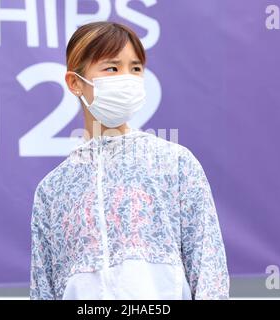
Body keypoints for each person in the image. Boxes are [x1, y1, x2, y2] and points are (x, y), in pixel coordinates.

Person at [30, 21, 229, 300]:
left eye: (135, 68)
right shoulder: (52, 190)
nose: (127, 78)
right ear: (75, 82)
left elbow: (210, 271)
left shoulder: (175, 164)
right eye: (112, 68)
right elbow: (44, 289)